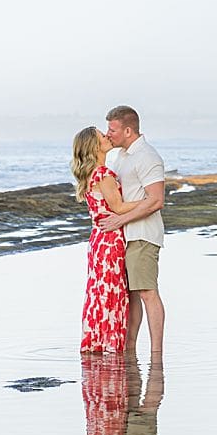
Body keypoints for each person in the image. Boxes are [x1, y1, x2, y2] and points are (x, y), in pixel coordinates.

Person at [99, 105, 166, 357]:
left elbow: (156, 200)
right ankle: (130, 348)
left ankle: (157, 354)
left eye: (112, 129)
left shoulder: (147, 156)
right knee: (131, 295)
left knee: (147, 292)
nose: (108, 134)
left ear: (128, 130)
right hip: (124, 236)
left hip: (142, 235)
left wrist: (120, 220)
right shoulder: (121, 156)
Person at [71, 127, 142, 354]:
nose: (107, 137)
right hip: (110, 240)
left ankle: (97, 344)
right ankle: (111, 346)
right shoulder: (103, 174)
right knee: (113, 292)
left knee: (99, 292)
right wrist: (148, 200)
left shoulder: (91, 174)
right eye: (102, 136)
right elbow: (118, 207)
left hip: (97, 240)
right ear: (94, 146)